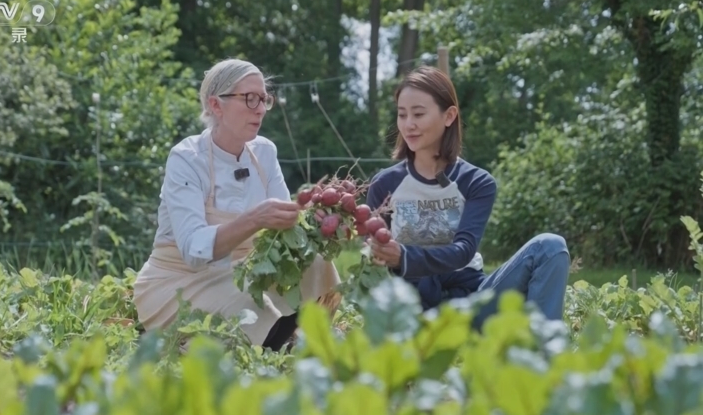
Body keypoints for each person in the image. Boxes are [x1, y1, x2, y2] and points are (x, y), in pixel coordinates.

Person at [133, 58, 341, 351]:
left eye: (264, 100)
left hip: (245, 270)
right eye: (249, 99)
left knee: (317, 261)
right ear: (216, 105)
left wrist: (313, 213)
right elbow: (194, 251)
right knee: (250, 308)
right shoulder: (186, 158)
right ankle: (281, 342)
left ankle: (303, 337)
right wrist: (255, 219)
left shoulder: (265, 152)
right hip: (180, 281)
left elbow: (284, 229)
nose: (259, 109)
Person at [365, 65, 570, 330]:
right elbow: (370, 253)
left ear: (449, 116)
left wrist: (403, 257)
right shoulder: (385, 184)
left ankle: (546, 356)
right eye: (402, 115)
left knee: (550, 246)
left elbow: (463, 252)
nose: (408, 124)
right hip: (412, 310)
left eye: (418, 114)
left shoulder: (476, 182)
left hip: (472, 302)